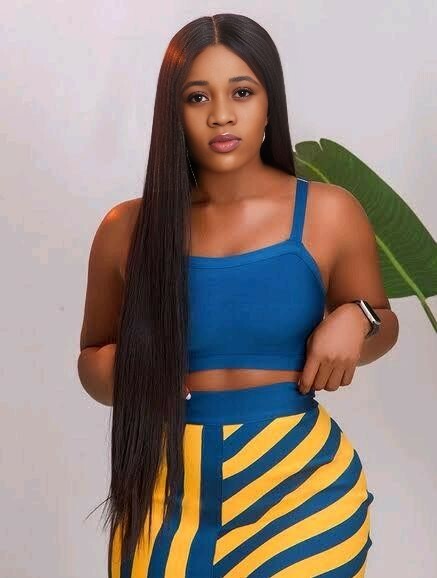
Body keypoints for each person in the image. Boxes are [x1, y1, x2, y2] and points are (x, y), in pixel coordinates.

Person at [77, 13, 399, 578]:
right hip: (165, 494)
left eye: (242, 92)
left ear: (270, 104)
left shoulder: (329, 212)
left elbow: (383, 323)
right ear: (172, 113)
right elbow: (91, 358)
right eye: (197, 96)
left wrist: (358, 317)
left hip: (302, 492)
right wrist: (132, 371)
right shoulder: (126, 229)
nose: (221, 114)